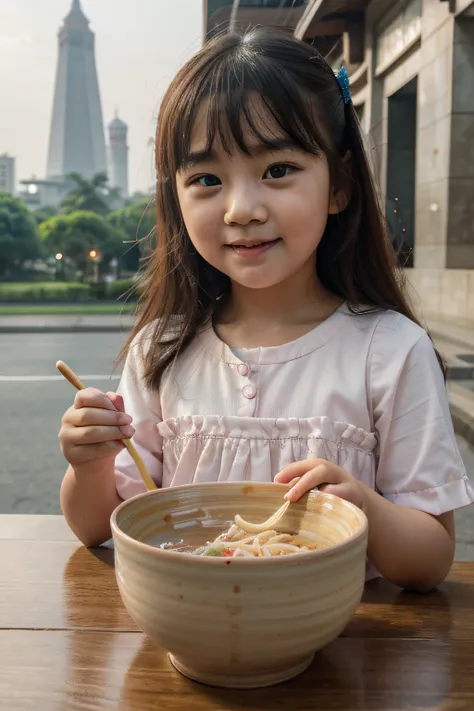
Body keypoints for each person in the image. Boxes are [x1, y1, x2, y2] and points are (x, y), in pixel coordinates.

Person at [58, 28, 474, 590]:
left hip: (335, 648)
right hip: (189, 632)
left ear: (339, 184)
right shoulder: (162, 349)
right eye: (206, 179)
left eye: (277, 170)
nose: (241, 209)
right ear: (175, 201)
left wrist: (364, 511)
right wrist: (88, 464)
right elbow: (98, 528)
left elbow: (430, 559)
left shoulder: (392, 351)